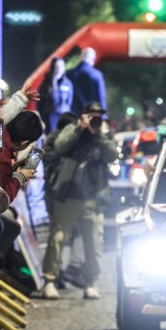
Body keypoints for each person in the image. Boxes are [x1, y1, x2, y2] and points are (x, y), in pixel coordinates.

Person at [41, 102, 118, 300]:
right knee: (57, 238)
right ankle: (49, 281)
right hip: (68, 194)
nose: (95, 119)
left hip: (93, 196)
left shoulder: (104, 132)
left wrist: (98, 135)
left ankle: (90, 282)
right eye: (91, 115)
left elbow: (113, 155)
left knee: (93, 242)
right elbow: (59, 146)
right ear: (83, 115)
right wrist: (79, 129)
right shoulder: (73, 128)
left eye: (98, 115)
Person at [38, 57, 74, 132]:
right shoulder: (46, 84)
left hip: (64, 116)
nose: (59, 69)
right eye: (57, 67)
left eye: (61, 67)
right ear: (52, 68)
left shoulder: (68, 83)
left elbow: (69, 102)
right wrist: (53, 82)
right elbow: (40, 102)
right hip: (50, 116)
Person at [67, 47, 107, 114]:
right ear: (93, 59)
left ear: (81, 57)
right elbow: (101, 97)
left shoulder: (70, 74)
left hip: (73, 114)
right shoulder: (96, 75)